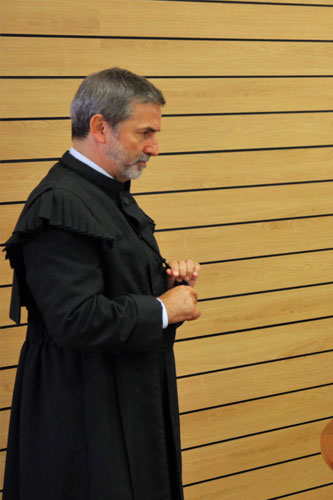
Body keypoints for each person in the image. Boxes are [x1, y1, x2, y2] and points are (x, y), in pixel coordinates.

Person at [2, 67, 202, 499]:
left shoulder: (105, 191)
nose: (154, 147)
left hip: (122, 393)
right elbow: (75, 318)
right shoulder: (60, 203)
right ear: (99, 127)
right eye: (144, 133)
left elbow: (114, 286)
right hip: (83, 410)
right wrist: (162, 309)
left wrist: (167, 283)